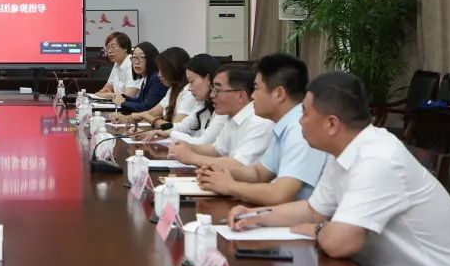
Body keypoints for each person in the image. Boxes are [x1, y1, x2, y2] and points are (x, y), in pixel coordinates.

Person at [228, 71, 450, 266]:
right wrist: (255, 215)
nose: (299, 120)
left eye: (304, 113)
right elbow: (312, 210)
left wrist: (319, 229)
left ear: (331, 124)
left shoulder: (378, 159)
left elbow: (340, 243)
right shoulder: (344, 150)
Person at [196, 53, 328, 204]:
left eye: (257, 88)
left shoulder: (300, 129)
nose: (252, 96)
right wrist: (220, 172)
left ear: (279, 94)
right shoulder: (284, 125)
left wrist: (230, 186)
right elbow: (259, 173)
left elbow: (279, 194)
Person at [168, 63, 272, 168]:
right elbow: (217, 150)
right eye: (213, 89)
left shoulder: (259, 122)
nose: (212, 95)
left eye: (217, 90)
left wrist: (192, 158)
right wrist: (188, 147)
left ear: (241, 96)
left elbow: (239, 165)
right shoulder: (233, 117)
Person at [138, 54, 227, 146]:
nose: (189, 88)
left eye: (192, 82)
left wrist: (169, 133)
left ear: (208, 79)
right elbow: (181, 126)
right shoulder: (203, 105)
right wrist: (152, 132)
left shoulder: (223, 110)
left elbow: (203, 143)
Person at [121, 47, 193, 127]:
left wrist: (143, 116)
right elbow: (152, 113)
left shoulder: (188, 92)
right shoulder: (173, 89)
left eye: (163, 70)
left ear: (175, 69)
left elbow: (174, 127)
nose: (159, 75)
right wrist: (126, 118)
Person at [114, 42, 168, 115]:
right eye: (134, 57)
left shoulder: (157, 79)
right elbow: (140, 101)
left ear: (151, 59)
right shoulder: (147, 77)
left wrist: (122, 103)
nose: (136, 62)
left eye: (142, 57)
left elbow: (146, 107)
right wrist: (124, 97)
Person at [94, 32, 141, 98]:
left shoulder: (133, 64)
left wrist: (109, 95)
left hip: (132, 104)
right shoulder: (117, 63)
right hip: (118, 103)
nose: (109, 51)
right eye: (108, 48)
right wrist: (104, 90)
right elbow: (109, 86)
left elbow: (128, 96)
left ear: (125, 48)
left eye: (113, 46)